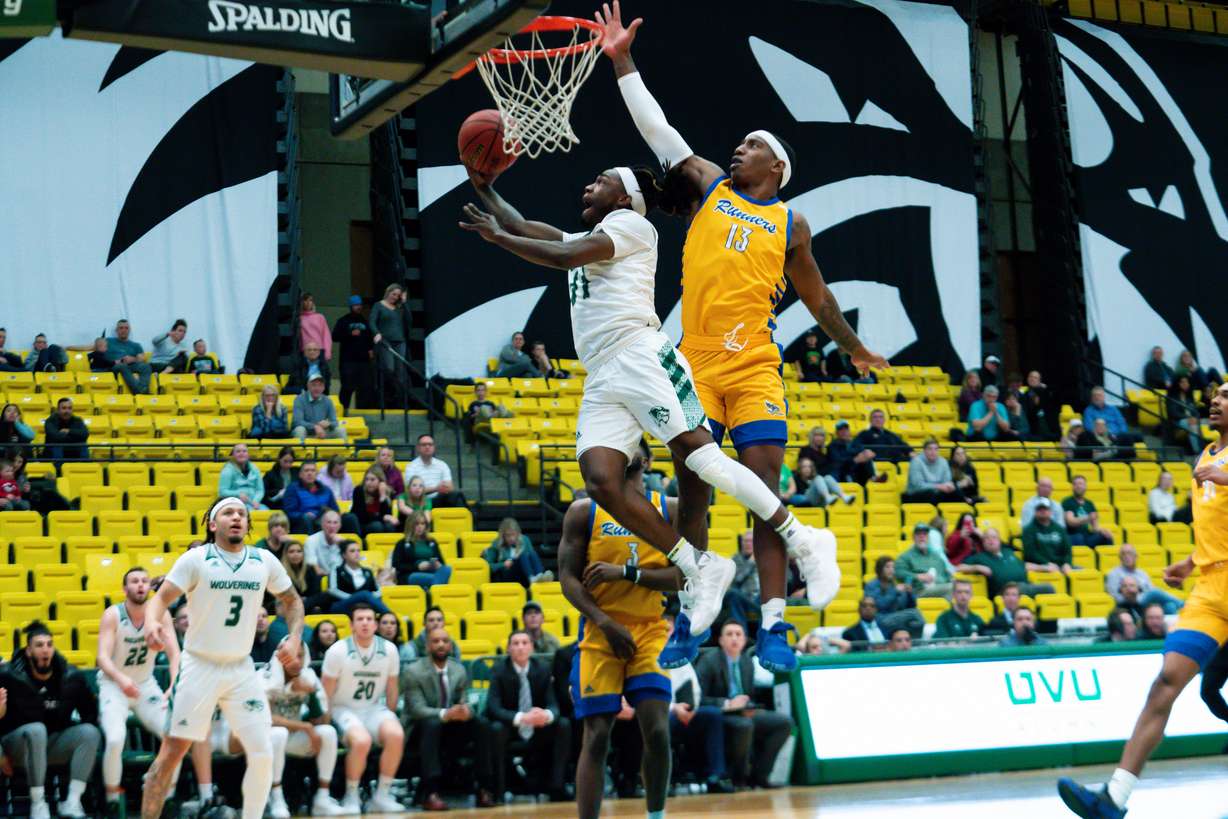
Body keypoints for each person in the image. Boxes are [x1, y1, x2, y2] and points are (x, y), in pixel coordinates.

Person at [570, 3, 886, 672]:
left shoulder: (791, 224)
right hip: (694, 361)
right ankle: (693, 609)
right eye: (739, 143)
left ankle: (774, 622)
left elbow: (817, 295)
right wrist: (622, 60)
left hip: (754, 367)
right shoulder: (712, 187)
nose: (738, 148)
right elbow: (659, 128)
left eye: (751, 144)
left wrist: (851, 344)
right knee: (696, 488)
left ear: (775, 166)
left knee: (762, 478)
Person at [1057, 379, 1228, 818]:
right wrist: (1191, 562)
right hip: (1211, 590)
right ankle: (1114, 797)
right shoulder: (1205, 456)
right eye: (1216, 395)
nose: (1216, 401)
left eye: (1227, 397)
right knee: (1165, 682)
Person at [135, 498, 305, 819]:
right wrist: (154, 623)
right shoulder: (197, 559)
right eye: (228, 513)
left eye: (242, 513)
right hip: (199, 666)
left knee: (263, 752)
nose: (237, 517)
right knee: (171, 756)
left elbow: (292, 600)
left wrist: (295, 637)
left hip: (240, 669)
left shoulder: (263, 560)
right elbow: (160, 600)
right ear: (214, 524)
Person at [555, 451, 681, 819]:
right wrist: (605, 622)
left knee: (657, 729)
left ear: (646, 459)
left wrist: (627, 573)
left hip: (650, 628)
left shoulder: (668, 508)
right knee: (596, 735)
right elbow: (567, 578)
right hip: (600, 629)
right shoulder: (584, 511)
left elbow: (684, 577)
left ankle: (655, 814)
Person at [96, 567, 181, 817]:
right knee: (114, 738)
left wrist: (173, 684)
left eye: (145, 581)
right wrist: (122, 680)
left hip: (145, 684)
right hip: (114, 684)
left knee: (175, 734)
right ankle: (112, 797)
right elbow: (102, 657)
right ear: (125, 589)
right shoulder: (113, 615)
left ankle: (166, 793)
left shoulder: (161, 615)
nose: (141, 585)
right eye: (134, 581)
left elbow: (174, 653)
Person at [0, 622, 101, 819]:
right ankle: (38, 803)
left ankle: (72, 801)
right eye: (39, 645)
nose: (45, 650)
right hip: (17, 747)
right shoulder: (7, 676)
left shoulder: (71, 677)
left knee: (90, 732)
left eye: (49, 644)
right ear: (28, 651)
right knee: (37, 730)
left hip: (52, 744)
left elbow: (91, 715)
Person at [320, 604, 405, 813]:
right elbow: (325, 693)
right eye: (360, 619)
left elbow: (393, 689)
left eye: (369, 619)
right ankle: (352, 795)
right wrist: (326, 722)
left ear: (376, 625)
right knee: (361, 741)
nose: (365, 623)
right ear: (351, 625)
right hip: (343, 709)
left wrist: (390, 717)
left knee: (396, 734)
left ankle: (382, 795)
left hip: (373, 708)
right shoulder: (338, 651)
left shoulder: (389, 650)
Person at [403, 627, 498, 810]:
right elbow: (416, 710)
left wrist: (465, 711)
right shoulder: (413, 671)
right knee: (432, 725)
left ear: (451, 645)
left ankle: (484, 788)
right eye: (436, 641)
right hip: (419, 730)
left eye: (445, 641)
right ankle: (430, 793)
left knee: (481, 724)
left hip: (449, 728)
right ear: (427, 646)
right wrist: (445, 714)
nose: (441, 645)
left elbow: (464, 701)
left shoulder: (458, 669)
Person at [694, 620, 793, 789]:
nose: (734, 638)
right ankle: (738, 778)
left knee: (784, 723)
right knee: (744, 726)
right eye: (729, 634)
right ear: (720, 640)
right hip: (719, 715)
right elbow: (698, 697)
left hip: (743, 712)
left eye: (738, 634)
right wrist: (727, 704)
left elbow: (748, 695)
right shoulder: (708, 661)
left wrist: (750, 707)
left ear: (745, 640)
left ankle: (760, 776)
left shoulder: (747, 662)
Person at [260, 638, 348, 817]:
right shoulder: (263, 677)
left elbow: (322, 719)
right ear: (280, 655)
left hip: (294, 737)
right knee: (278, 733)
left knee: (328, 732)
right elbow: (265, 719)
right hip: (266, 740)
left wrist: (312, 694)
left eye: (300, 656)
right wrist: (305, 727)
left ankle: (322, 798)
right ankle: (276, 798)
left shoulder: (308, 676)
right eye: (292, 656)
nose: (297, 661)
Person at [484, 630, 571, 801]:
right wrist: (521, 717)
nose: (520, 647)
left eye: (525, 643)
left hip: (538, 726)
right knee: (495, 729)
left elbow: (553, 704)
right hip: (511, 725)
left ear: (532, 647)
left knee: (563, 725)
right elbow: (493, 707)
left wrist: (545, 715)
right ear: (508, 649)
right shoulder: (498, 670)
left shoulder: (543, 668)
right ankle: (498, 790)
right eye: (515, 644)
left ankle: (557, 786)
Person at [663, 614, 733, 793]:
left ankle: (715, 776)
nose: (667, 634)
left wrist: (690, 708)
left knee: (712, 716)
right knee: (660, 722)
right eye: (663, 630)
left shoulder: (679, 658)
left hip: (684, 713)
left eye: (670, 630)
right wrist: (673, 708)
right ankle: (663, 778)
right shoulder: (646, 656)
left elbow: (694, 689)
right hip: (660, 714)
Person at [962, 528, 1055, 599]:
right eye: (987, 538)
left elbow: (1025, 566)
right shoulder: (979, 557)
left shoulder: (1008, 552)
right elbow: (958, 567)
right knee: (1047, 589)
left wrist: (1045, 567)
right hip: (1004, 591)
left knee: (1050, 588)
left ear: (999, 541)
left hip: (1024, 586)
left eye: (994, 537)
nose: (991, 540)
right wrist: (976, 567)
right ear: (983, 542)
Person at [1104, 543, 1184, 615]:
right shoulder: (1114, 574)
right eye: (1123, 554)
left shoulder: (1142, 573)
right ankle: (1183, 604)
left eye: (1129, 553)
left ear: (1136, 556)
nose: (1126, 556)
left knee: (1170, 606)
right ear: (1120, 558)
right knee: (1155, 592)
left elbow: (1150, 588)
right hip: (1130, 603)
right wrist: (1131, 599)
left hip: (1147, 603)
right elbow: (1114, 595)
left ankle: (1173, 629)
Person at [864, 556, 925, 637]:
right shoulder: (871, 585)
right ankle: (917, 643)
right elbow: (879, 605)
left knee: (915, 621)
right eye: (887, 567)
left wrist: (909, 594)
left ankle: (911, 644)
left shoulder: (895, 585)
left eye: (893, 567)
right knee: (914, 614)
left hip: (896, 619)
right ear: (880, 569)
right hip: (881, 619)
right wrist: (895, 592)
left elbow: (910, 606)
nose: (891, 570)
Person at [332, 295, 374, 410]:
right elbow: (334, 336)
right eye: (356, 305)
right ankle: (342, 411)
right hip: (348, 360)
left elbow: (369, 337)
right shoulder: (343, 321)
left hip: (364, 361)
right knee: (347, 387)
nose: (359, 307)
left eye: (360, 305)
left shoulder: (365, 322)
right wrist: (349, 334)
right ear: (351, 306)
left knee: (365, 387)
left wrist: (370, 349)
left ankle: (363, 413)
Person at [326, 541, 389, 617]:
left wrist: (364, 598)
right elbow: (332, 590)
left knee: (366, 596)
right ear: (344, 555)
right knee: (364, 594)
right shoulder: (337, 570)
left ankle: (386, 617)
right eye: (352, 551)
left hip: (363, 605)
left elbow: (377, 591)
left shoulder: (367, 571)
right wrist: (355, 597)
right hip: (343, 605)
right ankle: (389, 615)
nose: (357, 553)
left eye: (358, 551)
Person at [390, 512, 451, 588]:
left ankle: (431, 592)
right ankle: (434, 595)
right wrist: (418, 567)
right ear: (410, 525)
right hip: (411, 574)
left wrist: (438, 565)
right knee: (434, 579)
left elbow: (442, 562)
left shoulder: (432, 541)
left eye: (422, 524)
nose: (420, 527)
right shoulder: (402, 543)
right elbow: (397, 564)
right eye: (416, 524)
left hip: (431, 571)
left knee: (447, 569)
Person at [369, 283, 408, 405]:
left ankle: (398, 400)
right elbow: (372, 321)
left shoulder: (399, 308)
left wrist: (404, 303)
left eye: (398, 295)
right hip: (385, 341)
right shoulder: (378, 305)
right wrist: (376, 333)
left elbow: (409, 320)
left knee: (400, 372)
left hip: (400, 342)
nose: (395, 297)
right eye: (393, 294)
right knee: (389, 368)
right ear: (388, 292)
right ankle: (387, 394)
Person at [483, 517, 550, 586]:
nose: (511, 538)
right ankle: (532, 578)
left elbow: (531, 558)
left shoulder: (525, 539)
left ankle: (540, 575)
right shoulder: (497, 543)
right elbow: (489, 566)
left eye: (513, 534)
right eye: (508, 535)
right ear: (503, 536)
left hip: (523, 574)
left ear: (518, 533)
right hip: (507, 574)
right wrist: (503, 564)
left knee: (532, 553)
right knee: (523, 555)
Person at [405, 434, 467, 508]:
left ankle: (467, 517)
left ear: (434, 447)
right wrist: (436, 488)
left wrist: (442, 489)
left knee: (456, 495)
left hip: (440, 499)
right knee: (457, 496)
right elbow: (412, 491)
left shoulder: (442, 464)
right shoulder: (411, 467)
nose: (427, 447)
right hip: (421, 501)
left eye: (430, 444)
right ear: (418, 448)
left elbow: (450, 487)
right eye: (424, 445)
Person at [895, 524, 954, 598]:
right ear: (913, 538)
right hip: (920, 590)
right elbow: (898, 572)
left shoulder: (936, 556)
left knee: (961, 587)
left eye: (924, 534)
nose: (922, 537)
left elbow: (947, 575)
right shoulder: (906, 556)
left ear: (928, 538)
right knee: (953, 588)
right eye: (918, 534)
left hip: (940, 587)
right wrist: (917, 576)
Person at [283, 460, 340, 534]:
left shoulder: (326, 490)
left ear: (317, 474)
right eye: (306, 471)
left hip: (324, 521)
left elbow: (336, 511)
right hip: (303, 523)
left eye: (313, 471)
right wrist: (303, 515)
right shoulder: (293, 489)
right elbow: (289, 513)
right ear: (300, 474)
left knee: (349, 518)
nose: (310, 473)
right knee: (307, 519)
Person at [1022, 499, 1075, 576]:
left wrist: (1067, 563)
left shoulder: (1059, 529)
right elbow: (1030, 553)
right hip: (1040, 567)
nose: (1043, 511)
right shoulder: (1028, 530)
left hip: (1060, 566)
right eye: (1040, 509)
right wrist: (1046, 563)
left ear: (1050, 511)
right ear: (1035, 512)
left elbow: (1067, 550)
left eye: (1045, 509)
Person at [1082, 386, 1140, 455]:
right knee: (1125, 441)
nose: (1097, 397)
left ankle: (1129, 458)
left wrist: (1121, 434)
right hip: (1102, 437)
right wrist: (1108, 434)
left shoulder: (1113, 409)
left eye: (1099, 395)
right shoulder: (1088, 410)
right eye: (1094, 395)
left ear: (1104, 397)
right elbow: (1089, 427)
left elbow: (1121, 423)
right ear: (1091, 398)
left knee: (1138, 436)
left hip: (1118, 435)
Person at [902, 439, 962, 504]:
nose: (933, 452)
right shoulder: (916, 462)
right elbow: (918, 486)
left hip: (937, 493)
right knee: (932, 494)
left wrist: (949, 487)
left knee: (955, 491)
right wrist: (939, 486)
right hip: (916, 494)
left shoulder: (943, 461)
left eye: (936, 449)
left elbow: (947, 481)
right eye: (930, 449)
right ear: (924, 451)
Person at [1062, 475, 1114, 547]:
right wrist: (1087, 518)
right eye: (1076, 484)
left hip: (1087, 536)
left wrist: (1103, 531)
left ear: (1085, 487)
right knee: (1079, 538)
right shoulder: (1067, 502)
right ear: (1072, 487)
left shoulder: (1089, 504)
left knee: (1106, 536)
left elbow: (1095, 527)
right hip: (1072, 536)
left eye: (1081, 484)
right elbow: (1071, 522)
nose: (1078, 486)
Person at [104, 319, 152, 395]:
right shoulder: (108, 341)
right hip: (114, 366)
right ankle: (140, 392)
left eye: (126, 328)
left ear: (129, 330)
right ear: (116, 330)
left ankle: (143, 388)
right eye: (121, 328)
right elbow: (92, 347)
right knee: (122, 366)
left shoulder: (135, 345)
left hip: (130, 366)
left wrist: (133, 359)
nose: (124, 330)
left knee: (145, 366)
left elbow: (142, 358)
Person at [291, 375, 345, 442]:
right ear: (308, 386)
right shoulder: (299, 399)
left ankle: (344, 452)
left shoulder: (328, 400)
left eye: (320, 385)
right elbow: (297, 421)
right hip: (307, 433)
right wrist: (315, 426)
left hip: (323, 433)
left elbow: (335, 422)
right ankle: (301, 452)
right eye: (314, 385)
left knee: (340, 430)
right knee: (300, 430)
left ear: (324, 388)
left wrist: (329, 424)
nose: (317, 388)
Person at [827, 420, 878, 485]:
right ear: (837, 433)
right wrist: (854, 460)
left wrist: (867, 454)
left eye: (846, 430)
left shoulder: (855, 444)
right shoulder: (832, 446)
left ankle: (873, 477)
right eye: (841, 430)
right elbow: (838, 462)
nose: (844, 432)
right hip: (843, 472)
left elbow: (862, 454)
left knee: (866, 456)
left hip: (857, 471)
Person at [218, 442, 265, 510]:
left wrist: (256, 501)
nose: (241, 453)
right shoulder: (227, 470)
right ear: (233, 455)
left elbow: (260, 490)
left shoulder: (255, 468)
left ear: (248, 455)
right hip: (235, 504)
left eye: (244, 451)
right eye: (238, 451)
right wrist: (237, 494)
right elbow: (222, 492)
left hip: (254, 503)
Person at [352, 467, 398, 536]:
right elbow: (362, 516)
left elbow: (388, 514)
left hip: (379, 523)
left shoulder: (387, 492)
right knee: (377, 526)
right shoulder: (359, 490)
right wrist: (383, 517)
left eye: (372, 480)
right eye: (366, 479)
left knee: (390, 526)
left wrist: (382, 496)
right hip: (362, 524)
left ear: (380, 481)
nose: (368, 483)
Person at [42, 397, 89, 462]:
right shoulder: (50, 421)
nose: (67, 411)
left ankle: (85, 469)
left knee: (83, 445)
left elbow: (85, 434)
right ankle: (58, 471)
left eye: (69, 408)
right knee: (57, 445)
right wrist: (75, 437)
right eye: (64, 408)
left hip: (74, 453)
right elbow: (54, 437)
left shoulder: (78, 420)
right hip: (53, 453)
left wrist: (68, 431)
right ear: (58, 410)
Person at [304, 510, 348, 579]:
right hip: (319, 579)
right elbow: (315, 569)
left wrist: (343, 546)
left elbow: (352, 568)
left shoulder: (343, 542)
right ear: (322, 524)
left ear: (340, 525)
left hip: (341, 580)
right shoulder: (311, 540)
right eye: (328, 522)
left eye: (335, 522)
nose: (332, 526)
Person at [1166, 375, 1203, 454]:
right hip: (1178, 422)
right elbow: (1173, 413)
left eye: (1187, 382)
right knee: (1193, 425)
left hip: (1191, 420)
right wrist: (1189, 418)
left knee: (1212, 422)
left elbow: (1195, 411)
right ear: (1178, 384)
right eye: (1183, 382)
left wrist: (1195, 417)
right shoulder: (1172, 396)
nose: (1186, 384)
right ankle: (1198, 451)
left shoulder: (1189, 397)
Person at [298, 292, 333, 361]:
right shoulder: (299, 318)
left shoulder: (320, 317)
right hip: (304, 353)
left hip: (319, 352)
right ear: (302, 302)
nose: (308, 302)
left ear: (313, 303)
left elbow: (326, 336)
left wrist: (327, 353)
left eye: (310, 300)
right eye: (305, 300)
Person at [1021, 370, 1056, 439]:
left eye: (1035, 377)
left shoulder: (1047, 392)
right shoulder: (1024, 395)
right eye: (1030, 377)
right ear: (1027, 379)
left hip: (1047, 427)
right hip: (1031, 428)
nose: (1032, 379)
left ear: (1039, 381)